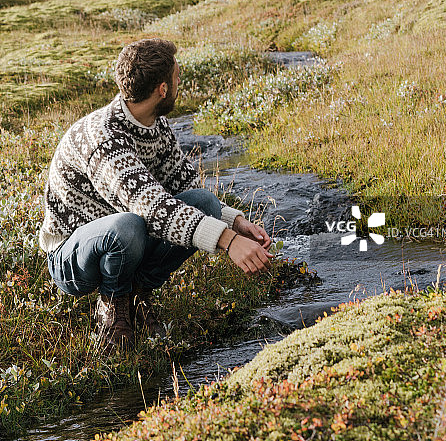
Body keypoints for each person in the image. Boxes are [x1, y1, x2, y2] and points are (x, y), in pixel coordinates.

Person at [40, 38, 273, 350]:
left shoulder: (154, 124)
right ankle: (112, 308)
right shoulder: (105, 139)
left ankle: (136, 295)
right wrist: (228, 242)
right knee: (127, 226)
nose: (180, 82)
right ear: (163, 89)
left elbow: (184, 188)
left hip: (122, 237)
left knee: (205, 203)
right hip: (71, 258)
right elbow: (151, 208)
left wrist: (234, 223)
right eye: (178, 77)